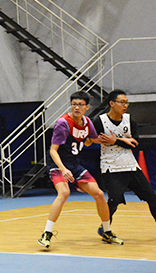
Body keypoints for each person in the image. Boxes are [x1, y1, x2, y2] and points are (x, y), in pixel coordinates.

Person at [38, 91, 123, 249]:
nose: (77, 107)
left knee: (99, 194)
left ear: (87, 107)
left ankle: (107, 232)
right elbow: (53, 151)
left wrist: (116, 140)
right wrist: (63, 169)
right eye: (74, 104)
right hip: (58, 164)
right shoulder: (63, 123)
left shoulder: (87, 122)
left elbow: (92, 139)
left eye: (80, 105)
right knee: (64, 193)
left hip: (74, 164)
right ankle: (46, 234)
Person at [93, 89, 156, 232]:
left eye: (127, 103)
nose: (125, 105)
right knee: (114, 200)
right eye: (122, 102)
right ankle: (105, 229)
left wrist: (115, 140)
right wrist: (122, 140)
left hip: (130, 165)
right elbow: (90, 140)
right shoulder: (100, 121)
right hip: (111, 166)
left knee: (152, 198)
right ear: (112, 103)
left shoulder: (129, 120)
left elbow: (136, 144)